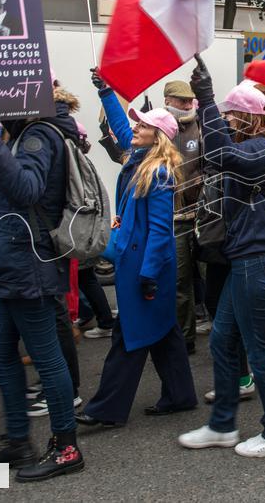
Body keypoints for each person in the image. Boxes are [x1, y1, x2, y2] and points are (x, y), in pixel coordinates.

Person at [0, 86, 84, 480]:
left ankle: (66, 447)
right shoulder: (26, 132)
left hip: (27, 262)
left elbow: (27, 190)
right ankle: (18, 440)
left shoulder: (37, 134)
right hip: (15, 261)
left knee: (46, 357)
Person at [179, 62, 265, 458]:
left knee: (259, 350)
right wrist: (211, 106)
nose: (225, 121)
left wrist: (208, 100)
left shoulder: (262, 147)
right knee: (223, 339)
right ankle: (223, 425)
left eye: (231, 115)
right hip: (247, 259)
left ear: (248, 118)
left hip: (259, 260)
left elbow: (222, 155)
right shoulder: (253, 145)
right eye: (223, 116)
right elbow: (219, 153)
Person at [75, 73, 197, 426]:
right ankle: (181, 395)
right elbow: (118, 124)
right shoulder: (140, 156)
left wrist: (147, 275)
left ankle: (106, 411)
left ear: (156, 136)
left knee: (128, 336)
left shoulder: (156, 171)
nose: (135, 129)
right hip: (141, 262)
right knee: (163, 334)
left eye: (142, 126)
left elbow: (161, 230)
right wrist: (106, 91)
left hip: (145, 266)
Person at [163, 80, 204, 353]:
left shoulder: (201, 126)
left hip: (201, 215)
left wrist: (198, 182)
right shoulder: (159, 128)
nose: (188, 104)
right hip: (173, 218)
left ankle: (219, 327)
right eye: (182, 100)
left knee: (207, 275)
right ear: (168, 99)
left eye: (190, 100)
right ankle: (186, 338)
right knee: (180, 280)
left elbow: (212, 163)